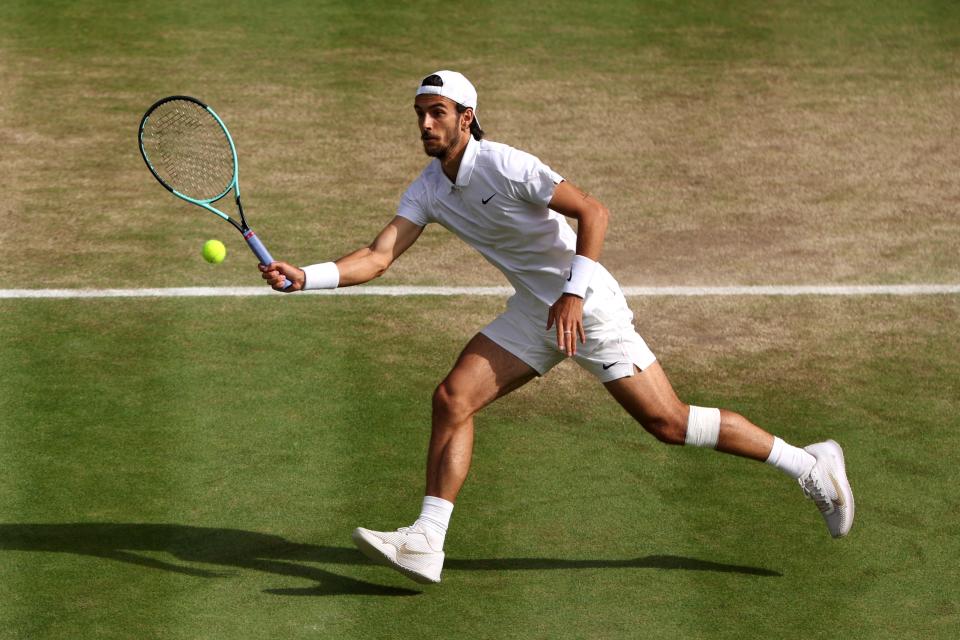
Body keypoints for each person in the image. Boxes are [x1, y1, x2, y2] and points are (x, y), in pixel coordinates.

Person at [260, 70, 855, 585]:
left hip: (586, 303)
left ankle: (810, 465)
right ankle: (426, 539)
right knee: (452, 398)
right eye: (420, 115)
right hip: (535, 309)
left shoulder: (507, 164)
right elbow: (378, 255)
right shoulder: (429, 189)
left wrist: (573, 293)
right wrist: (306, 276)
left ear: (467, 118)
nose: (425, 125)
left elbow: (592, 210)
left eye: (437, 113)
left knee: (669, 424)